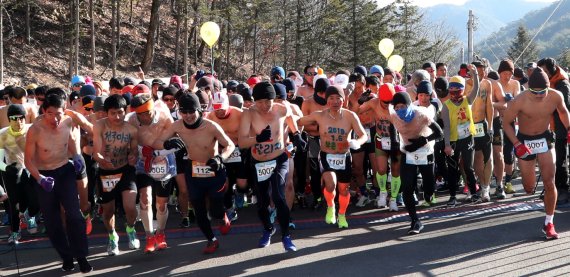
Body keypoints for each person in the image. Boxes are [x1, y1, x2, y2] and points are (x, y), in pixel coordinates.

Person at [152, 92, 234, 254]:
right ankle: (211, 240)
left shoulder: (211, 126)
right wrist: (167, 143)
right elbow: (157, 142)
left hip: (213, 170)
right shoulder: (176, 126)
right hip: (193, 171)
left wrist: (220, 158)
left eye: (192, 111)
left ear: (199, 111)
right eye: (184, 112)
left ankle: (222, 215)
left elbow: (229, 145)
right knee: (198, 208)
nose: (188, 116)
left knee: (216, 210)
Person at [24, 94, 92, 273]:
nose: (55, 118)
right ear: (44, 111)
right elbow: (28, 160)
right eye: (50, 114)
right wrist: (39, 178)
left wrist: (76, 156)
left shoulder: (68, 122)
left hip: (64, 171)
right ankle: (66, 257)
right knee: (52, 221)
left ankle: (81, 256)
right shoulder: (35, 130)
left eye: (59, 114)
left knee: (75, 216)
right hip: (44, 175)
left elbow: (70, 142)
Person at [502, 67, 570, 240]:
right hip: (524, 141)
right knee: (529, 187)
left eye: (543, 92)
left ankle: (549, 222)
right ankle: (534, 191)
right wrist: (517, 144)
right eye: (535, 92)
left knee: (549, 181)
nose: (540, 95)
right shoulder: (519, 100)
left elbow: (563, 112)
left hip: (545, 139)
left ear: (549, 87)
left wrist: (569, 128)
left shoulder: (555, 96)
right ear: (528, 88)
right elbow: (506, 123)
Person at [239, 82, 306, 251]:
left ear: (273, 99)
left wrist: (296, 134)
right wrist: (257, 139)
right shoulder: (249, 114)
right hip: (259, 162)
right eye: (259, 102)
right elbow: (241, 142)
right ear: (254, 101)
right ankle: (268, 229)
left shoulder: (281, 108)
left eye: (267, 101)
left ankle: (286, 236)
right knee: (262, 203)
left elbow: (290, 118)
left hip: (279, 158)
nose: (263, 106)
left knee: (278, 195)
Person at [298, 85, 367, 228]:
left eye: (338, 98)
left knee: (344, 189)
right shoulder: (320, 115)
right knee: (331, 185)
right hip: (326, 155)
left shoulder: (350, 116)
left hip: (344, 157)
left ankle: (342, 214)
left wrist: (356, 142)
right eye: (331, 98)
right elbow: (298, 121)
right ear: (326, 100)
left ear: (343, 99)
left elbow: (363, 135)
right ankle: (330, 206)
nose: (335, 101)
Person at [92, 94, 140, 256]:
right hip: (106, 172)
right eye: (113, 113)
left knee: (130, 207)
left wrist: (134, 156)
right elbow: (95, 153)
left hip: (125, 170)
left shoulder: (132, 129)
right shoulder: (99, 126)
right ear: (107, 112)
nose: (117, 116)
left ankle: (130, 229)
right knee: (108, 211)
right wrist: (101, 159)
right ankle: (112, 236)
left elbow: (134, 151)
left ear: (125, 111)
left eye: (120, 112)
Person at [128, 93, 177, 253]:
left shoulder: (164, 117)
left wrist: (159, 153)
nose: (146, 117)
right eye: (141, 115)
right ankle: (149, 236)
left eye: (148, 113)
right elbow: (128, 142)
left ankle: (161, 233)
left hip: (163, 161)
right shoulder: (131, 120)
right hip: (143, 162)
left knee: (161, 203)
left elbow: (174, 141)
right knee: (145, 198)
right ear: (136, 113)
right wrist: (135, 153)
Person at [391, 91, 442, 234]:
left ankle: (427, 193)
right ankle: (415, 221)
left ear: (409, 105)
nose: (399, 110)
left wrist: (422, 141)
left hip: (425, 151)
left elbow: (439, 134)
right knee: (406, 186)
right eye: (397, 107)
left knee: (429, 187)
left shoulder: (421, 115)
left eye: (403, 106)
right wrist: (395, 147)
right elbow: (392, 130)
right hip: (407, 151)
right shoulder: (394, 116)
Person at [441, 65, 480, 206]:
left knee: (469, 167)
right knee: (453, 169)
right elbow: (446, 127)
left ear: (462, 90)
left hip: (467, 138)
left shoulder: (466, 101)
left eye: (457, 91)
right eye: (452, 91)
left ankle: (474, 193)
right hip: (453, 141)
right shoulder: (446, 106)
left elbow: (475, 91)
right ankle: (452, 197)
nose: (455, 94)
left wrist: (475, 75)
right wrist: (446, 145)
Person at [358, 83, 401, 210]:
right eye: (384, 101)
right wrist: (361, 100)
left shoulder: (398, 104)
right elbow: (357, 111)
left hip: (396, 142)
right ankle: (383, 193)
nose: (387, 104)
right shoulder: (374, 102)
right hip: (380, 140)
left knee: (395, 172)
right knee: (381, 169)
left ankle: (393, 198)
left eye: (390, 101)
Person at [0, 105, 39, 244]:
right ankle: (15, 232)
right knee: (14, 204)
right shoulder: (3, 134)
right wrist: (6, 167)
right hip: (12, 171)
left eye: (21, 118)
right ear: (9, 119)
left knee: (36, 199)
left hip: (30, 169)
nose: (19, 121)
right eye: (14, 118)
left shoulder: (32, 130)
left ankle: (30, 214)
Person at [206, 91, 245, 222]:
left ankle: (239, 192)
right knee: (226, 183)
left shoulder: (239, 114)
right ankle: (229, 207)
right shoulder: (210, 117)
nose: (219, 112)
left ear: (227, 106)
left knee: (242, 183)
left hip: (239, 150)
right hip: (223, 152)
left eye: (221, 109)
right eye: (216, 109)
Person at [536, 57, 570, 205]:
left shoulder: (562, 83)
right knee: (552, 160)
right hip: (551, 125)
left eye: (544, 70)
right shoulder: (550, 81)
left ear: (551, 69)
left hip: (562, 126)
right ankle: (553, 188)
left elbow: (564, 106)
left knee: (560, 158)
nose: (542, 73)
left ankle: (563, 189)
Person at [468, 62, 497, 201]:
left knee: (488, 156)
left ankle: (486, 187)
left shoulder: (487, 84)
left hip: (482, 123)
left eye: (482, 73)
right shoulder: (465, 84)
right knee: (476, 158)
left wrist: (490, 126)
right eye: (477, 73)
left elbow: (489, 105)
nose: (480, 76)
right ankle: (480, 184)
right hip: (468, 125)